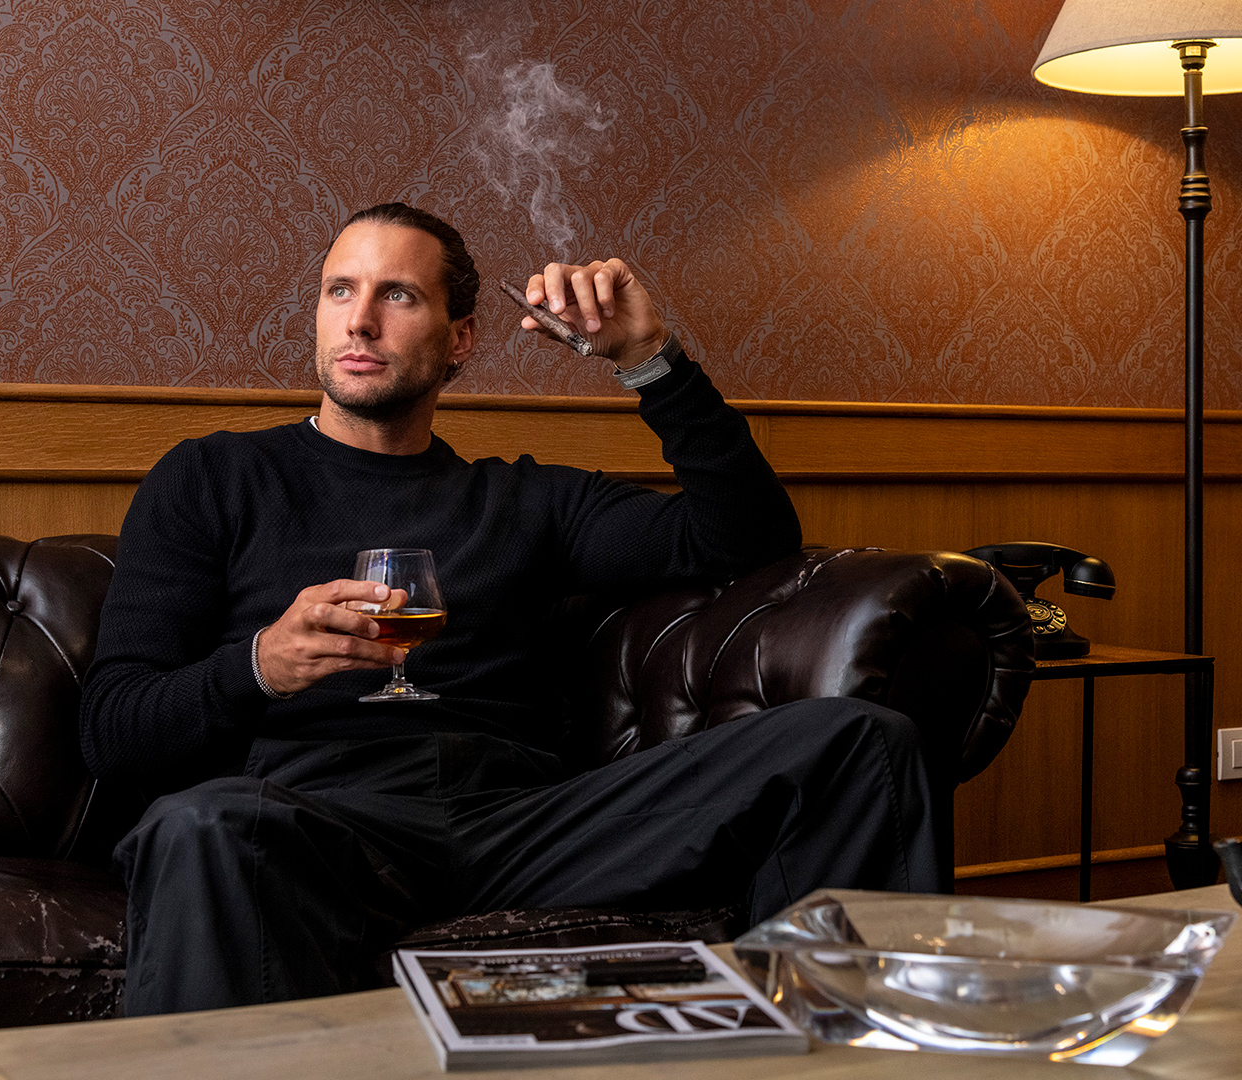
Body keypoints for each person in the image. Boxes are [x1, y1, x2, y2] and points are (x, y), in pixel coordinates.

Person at [80, 202, 938, 1017]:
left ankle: (851, 1052)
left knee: (859, 743)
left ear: (460, 341)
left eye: (398, 295)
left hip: (522, 825)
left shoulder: (524, 500)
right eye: (340, 290)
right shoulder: (211, 479)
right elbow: (114, 731)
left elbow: (748, 539)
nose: (359, 321)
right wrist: (258, 666)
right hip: (316, 824)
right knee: (200, 826)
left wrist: (649, 360)